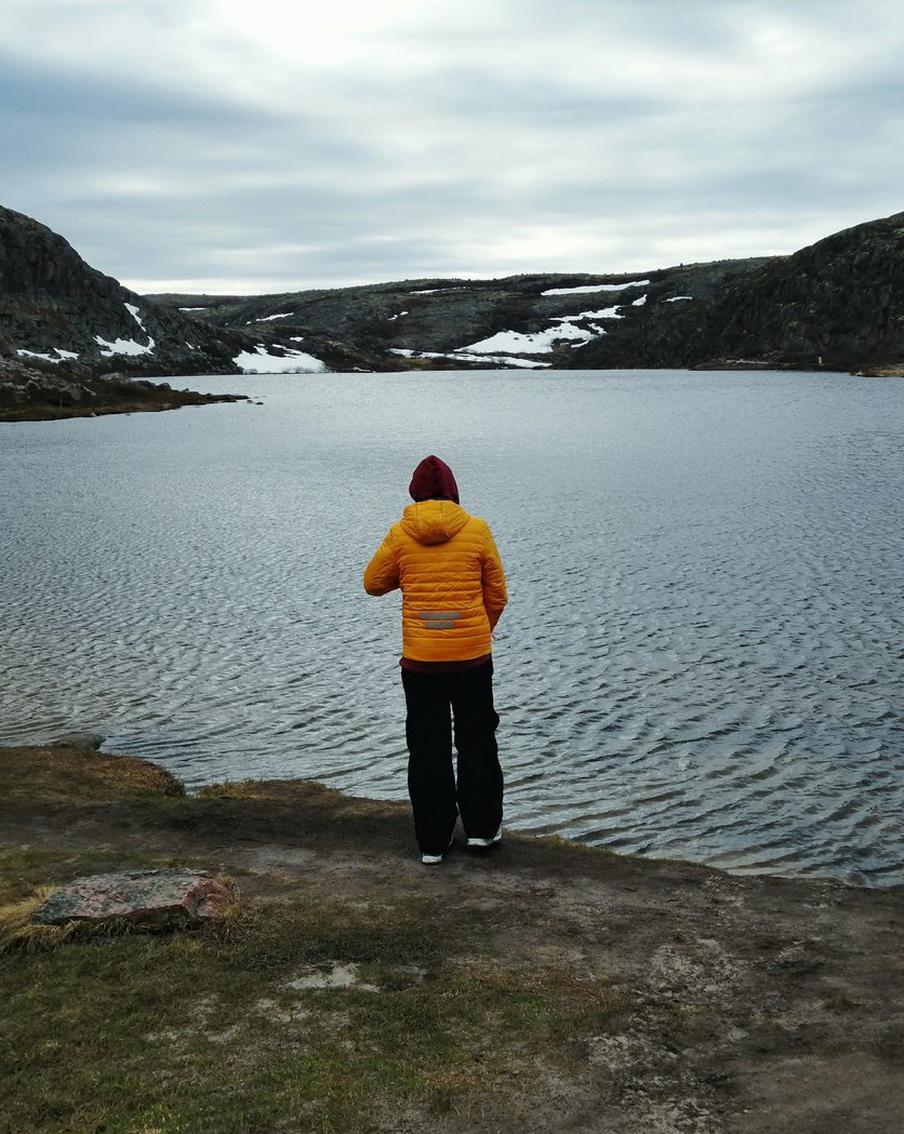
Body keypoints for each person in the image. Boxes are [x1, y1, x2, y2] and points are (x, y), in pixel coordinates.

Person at [363, 455, 508, 865]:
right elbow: (498, 594)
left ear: (415, 492)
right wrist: (478, 629)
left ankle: (433, 842)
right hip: (472, 659)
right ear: (453, 491)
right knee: (477, 740)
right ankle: (482, 830)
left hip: (422, 661)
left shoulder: (401, 534)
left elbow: (373, 583)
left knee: (428, 747)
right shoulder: (477, 530)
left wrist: (408, 573)